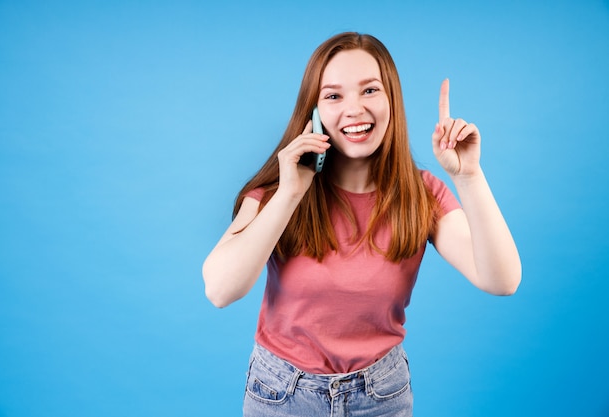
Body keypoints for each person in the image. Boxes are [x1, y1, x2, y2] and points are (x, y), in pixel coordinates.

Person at [202, 32, 521, 417]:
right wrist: (289, 194)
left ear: (391, 100)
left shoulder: (422, 195)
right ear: (314, 110)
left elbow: (502, 280)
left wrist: (469, 177)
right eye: (334, 96)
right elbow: (220, 290)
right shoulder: (277, 192)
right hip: (282, 396)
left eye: (369, 90)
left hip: (381, 397)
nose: (354, 109)